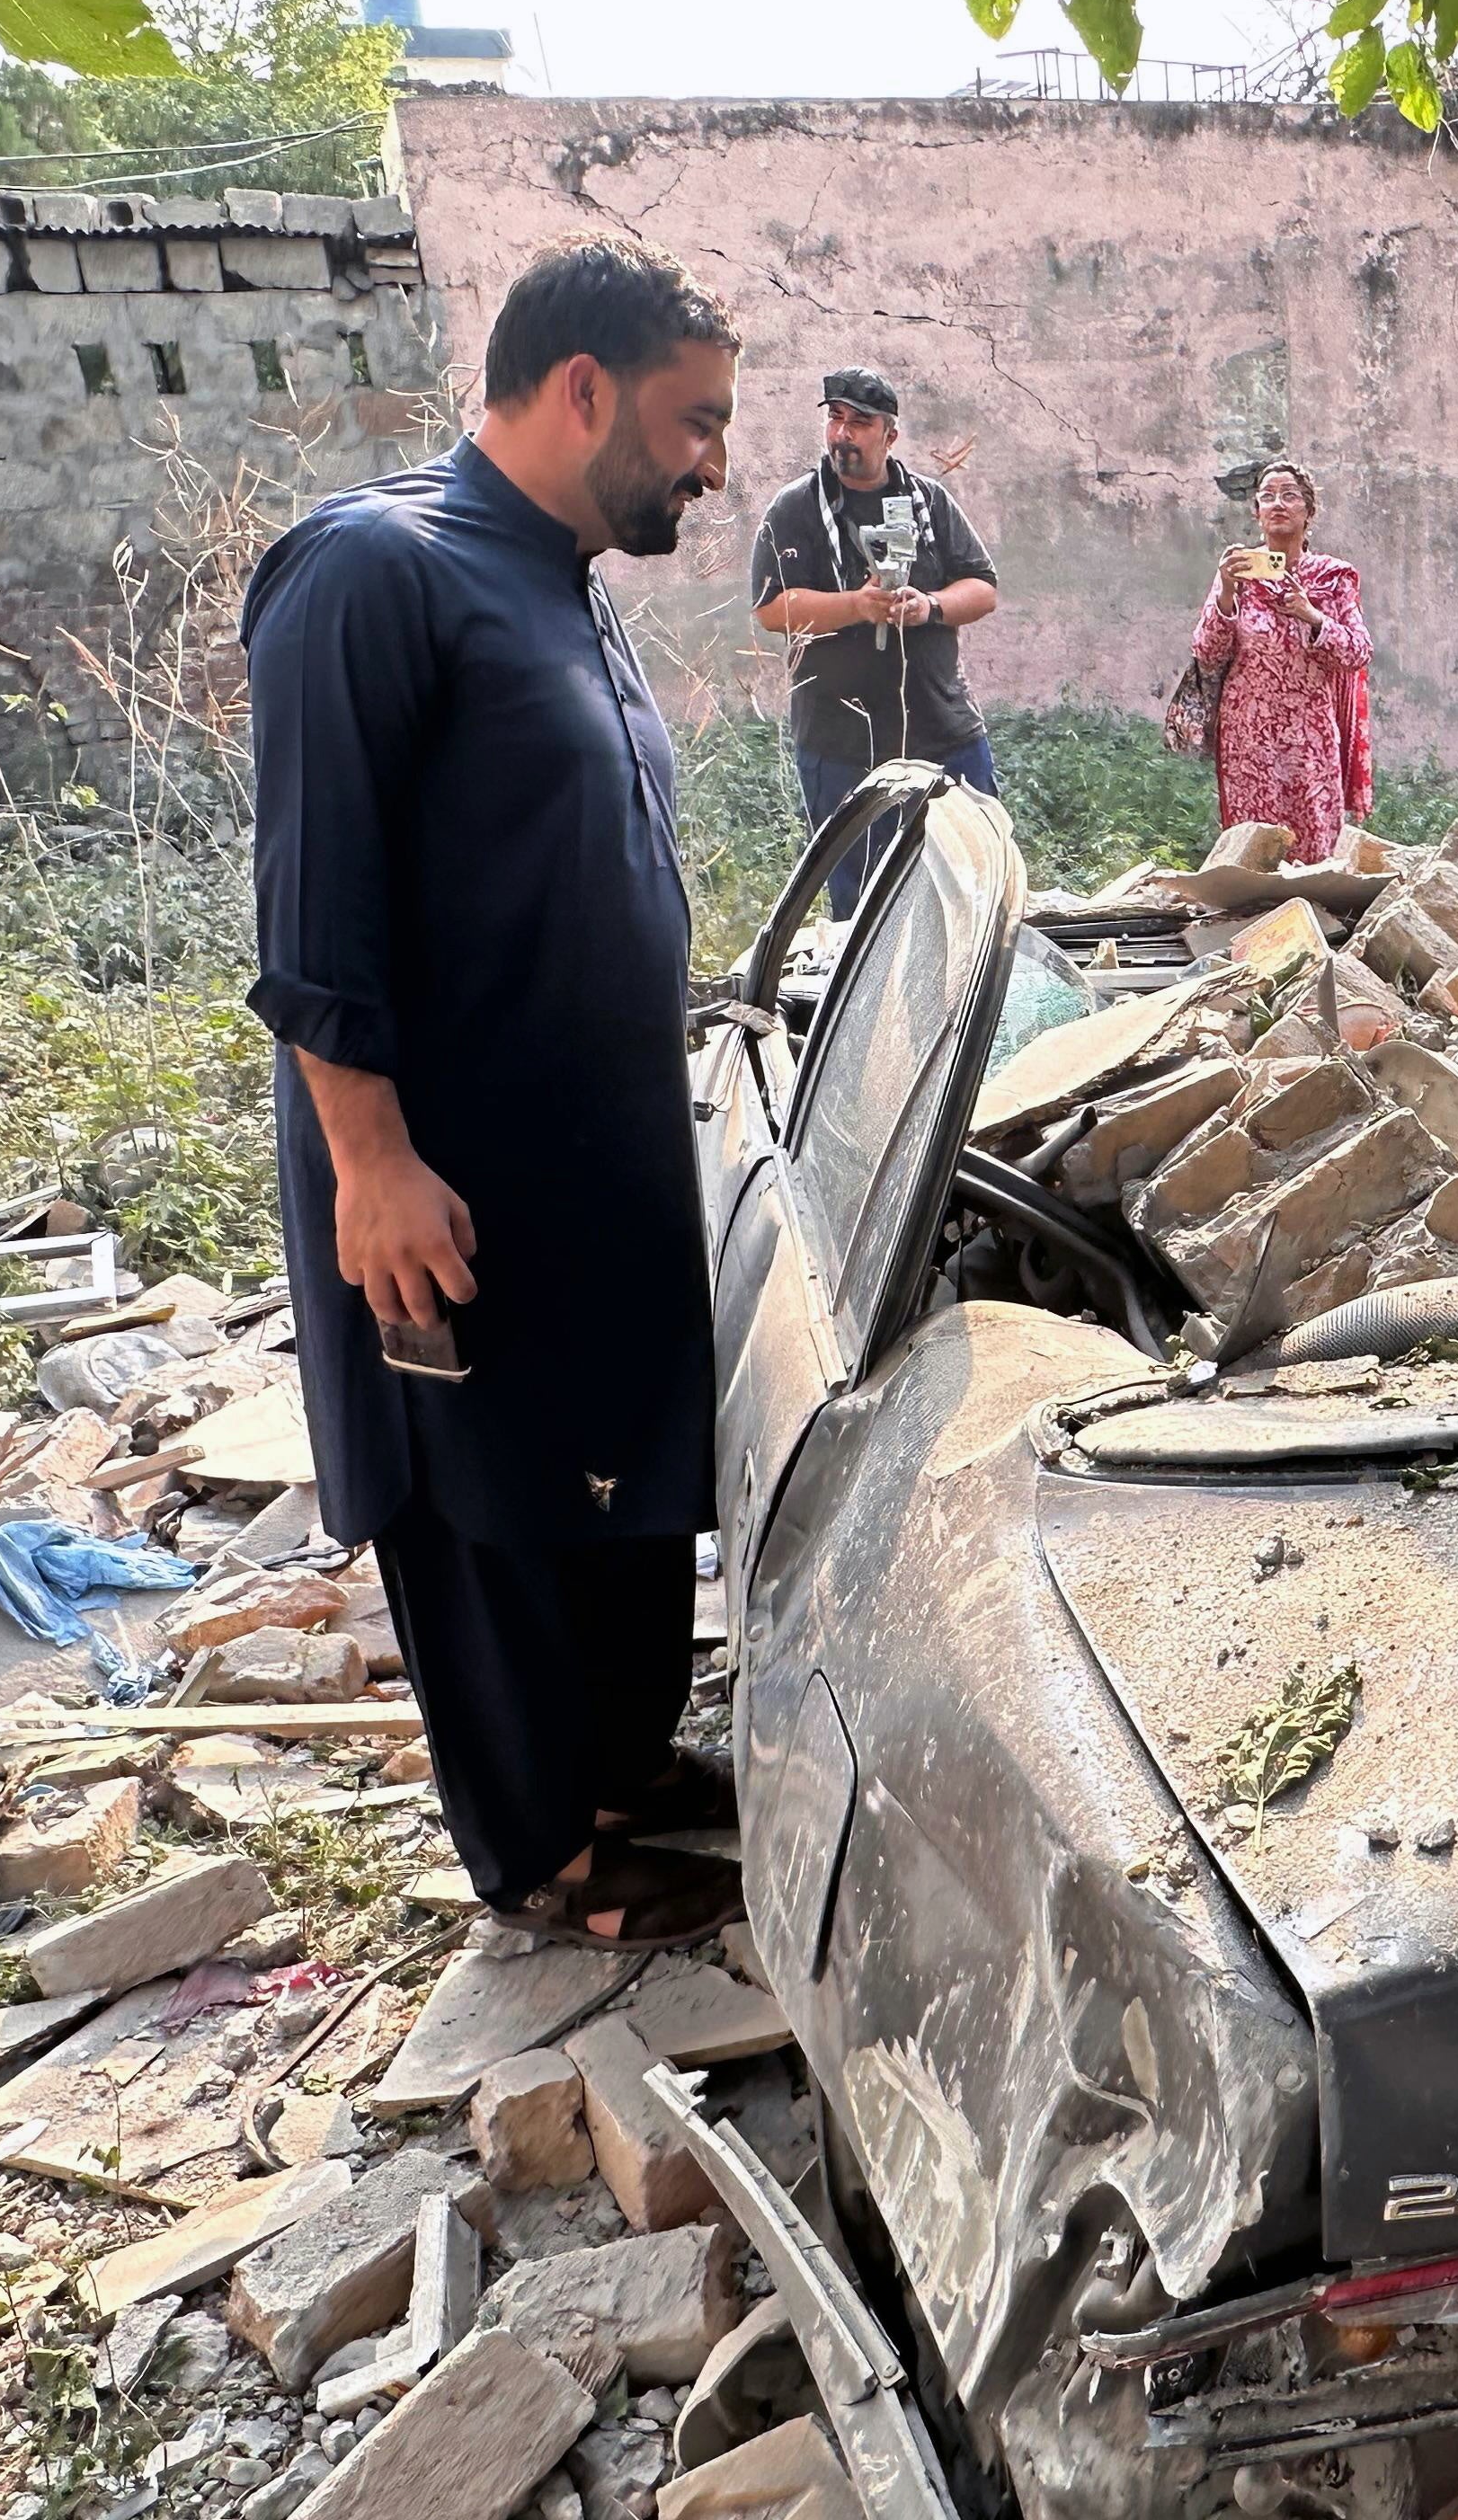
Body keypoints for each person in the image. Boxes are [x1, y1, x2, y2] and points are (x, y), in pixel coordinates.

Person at [244, 234, 745, 1950]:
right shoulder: (373, 573)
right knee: (485, 1509)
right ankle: (544, 1857)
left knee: (600, 1476)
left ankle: (615, 1773)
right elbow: (315, 910)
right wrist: (368, 1159)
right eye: (693, 423)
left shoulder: (556, 576)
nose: (713, 465)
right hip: (444, 1172)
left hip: (586, 1152)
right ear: (582, 387)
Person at [749, 368, 1000, 914]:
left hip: (943, 735)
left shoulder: (929, 503)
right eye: (835, 419)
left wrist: (929, 606)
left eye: (859, 423)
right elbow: (772, 610)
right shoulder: (796, 509)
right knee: (863, 915)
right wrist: (856, 607)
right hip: (842, 747)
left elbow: (983, 588)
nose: (842, 433)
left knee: (970, 900)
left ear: (890, 435)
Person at [1187, 460, 1372, 865]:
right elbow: (1207, 651)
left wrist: (1312, 614)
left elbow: (1358, 652)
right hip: (1248, 735)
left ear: (1309, 511)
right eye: (1267, 497)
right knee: (1255, 847)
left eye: (1289, 495)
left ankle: (1316, 924)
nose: (1278, 505)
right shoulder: (1239, 571)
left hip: (1309, 734)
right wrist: (1228, 593)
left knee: (1314, 842)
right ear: (1257, 513)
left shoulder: (1333, 578)